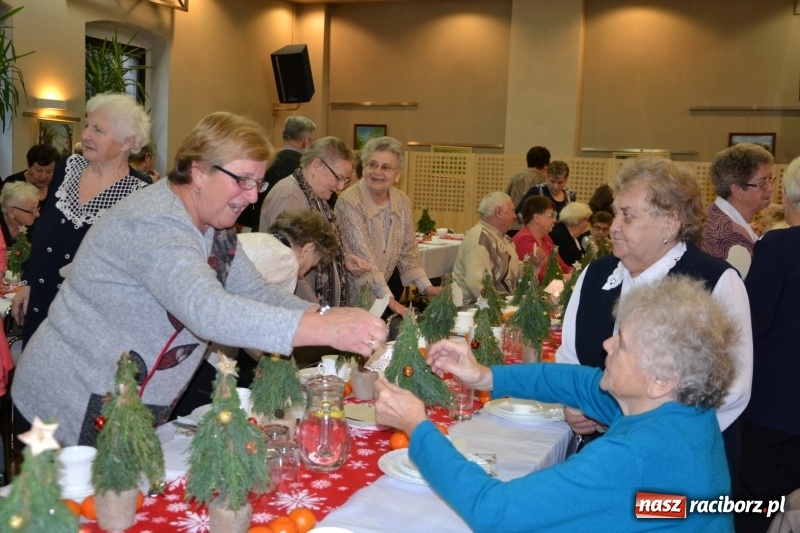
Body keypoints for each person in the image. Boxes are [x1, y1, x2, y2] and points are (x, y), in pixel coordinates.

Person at [11, 112, 387, 446]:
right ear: (198, 171)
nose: (253, 196)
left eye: (257, 183)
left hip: (124, 405)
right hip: (68, 403)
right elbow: (207, 310)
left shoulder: (212, 225)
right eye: (243, 180)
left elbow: (254, 290)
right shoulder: (155, 221)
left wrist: (322, 314)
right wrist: (325, 330)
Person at [374, 276, 736, 532]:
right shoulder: (684, 409)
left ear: (661, 379)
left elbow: (496, 513)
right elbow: (578, 381)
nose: (607, 346)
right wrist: (485, 376)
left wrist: (417, 427)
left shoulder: (633, 457)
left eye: (622, 343)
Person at [556, 156, 752, 475]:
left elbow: (732, 390)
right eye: (616, 212)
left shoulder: (715, 281)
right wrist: (573, 404)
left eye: (628, 216)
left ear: (670, 223)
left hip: (678, 464)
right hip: (601, 460)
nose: (614, 226)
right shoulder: (595, 274)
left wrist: (635, 426)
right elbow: (569, 358)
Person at [11, 93, 153, 346]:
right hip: (41, 303)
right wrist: (26, 282)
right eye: (88, 125)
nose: (86, 134)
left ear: (126, 142)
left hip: (90, 318)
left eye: (98, 129)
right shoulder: (67, 167)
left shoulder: (140, 192)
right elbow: (43, 234)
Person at [737, 156, 800, 533]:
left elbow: (751, 322)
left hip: (776, 410)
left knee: (755, 510)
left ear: (790, 198)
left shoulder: (781, 246)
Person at [335, 136, 442, 317]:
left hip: (383, 295)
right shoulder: (349, 201)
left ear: (398, 174)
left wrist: (427, 287)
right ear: (364, 167)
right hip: (352, 297)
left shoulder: (402, 201)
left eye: (386, 167)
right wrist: (390, 301)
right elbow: (364, 257)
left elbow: (408, 251)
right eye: (372, 164)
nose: (377, 172)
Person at [259, 136, 371, 308]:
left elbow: (314, 246)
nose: (341, 187)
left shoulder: (314, 194)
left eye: (346, 180)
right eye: (338, 177)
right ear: (316, 165)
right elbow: (291, 264)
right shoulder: (290, 196)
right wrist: (317, 312)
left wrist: (342, 259)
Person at [700, 143, 774, 278]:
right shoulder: (729, 237)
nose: (770, 188)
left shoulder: (711, 214)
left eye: (771, 179)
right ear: (737, 190)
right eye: (762, 182)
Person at [249, 116, 316, 231]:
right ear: (307, 141)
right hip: (289, 232)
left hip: (259, 229)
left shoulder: (267, 162)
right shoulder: (305, 169)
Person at [452, 191, 519, 302]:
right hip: (471, 309)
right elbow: (477, 285)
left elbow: (513, 271)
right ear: (498, 212)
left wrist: (534, 265)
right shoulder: (479, 238)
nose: (515, 216)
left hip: (499, 304)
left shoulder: (503, 238)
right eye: (512, 210)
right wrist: (498, 310)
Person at [511, 196, 571, 283]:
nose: (554, 220)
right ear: (536, 218)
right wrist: (571, 278)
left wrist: (577, 273)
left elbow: (562, 266)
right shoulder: (523, 240)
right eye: (551, 215)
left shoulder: (546, 238)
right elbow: (539, 276)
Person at [550, 201, 592, 267]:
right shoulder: (560, 236)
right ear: (580, 221)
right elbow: (570, 263)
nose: (588, 223)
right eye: (587, 220)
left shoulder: (573, 235)